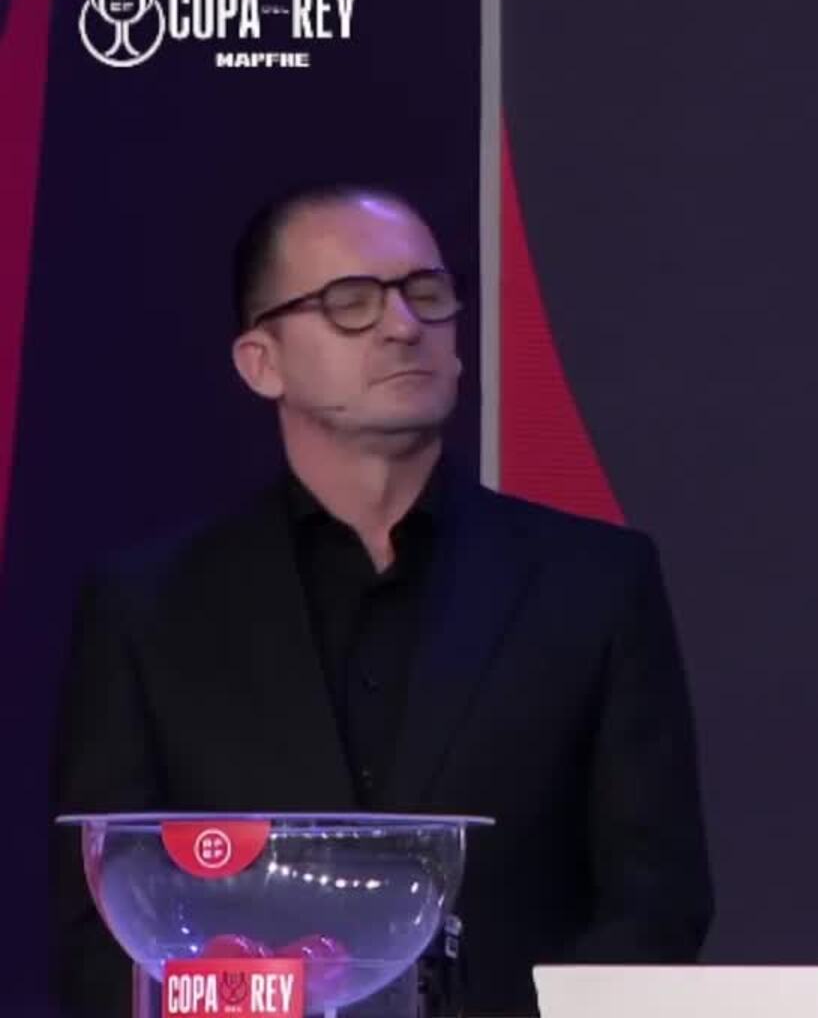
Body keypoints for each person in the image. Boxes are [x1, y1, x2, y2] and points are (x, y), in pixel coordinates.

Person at [52, 184, 712, 1015]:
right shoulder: (149, 607)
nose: (403, 326)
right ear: (261, 362)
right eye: (350, 302)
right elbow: (101, 921)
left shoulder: (595, 582)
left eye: (426, 293)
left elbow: (654, 901)